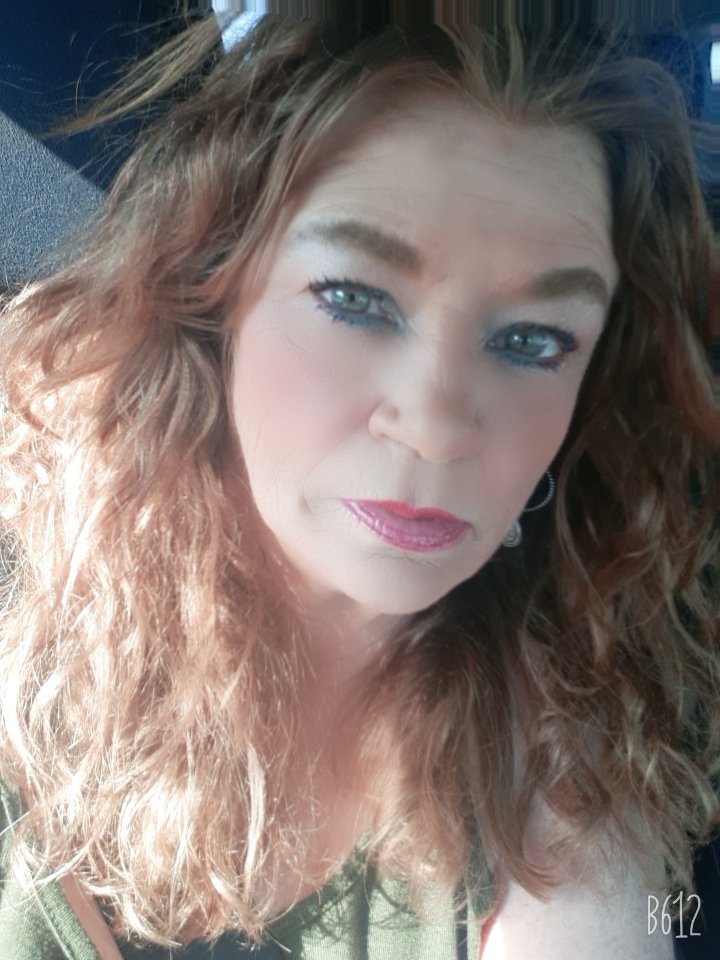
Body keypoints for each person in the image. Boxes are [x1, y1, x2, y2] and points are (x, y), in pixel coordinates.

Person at [0, 9, 717, 959]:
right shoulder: (24, 594)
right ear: (213, 291)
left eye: (532, 341)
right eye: (354, 297)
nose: (435, 424)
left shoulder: (585, 737)